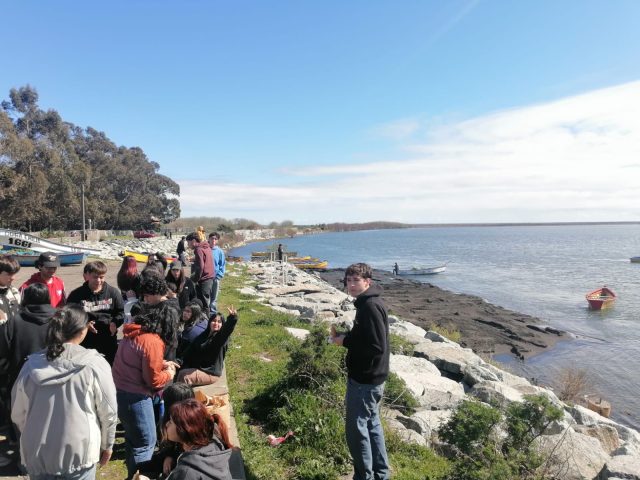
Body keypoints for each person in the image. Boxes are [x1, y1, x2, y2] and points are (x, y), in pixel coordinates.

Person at [11, 306, 118, 479]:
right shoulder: (94, 364)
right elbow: (109, 412)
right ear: (82, 330)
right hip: (80, 453)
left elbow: (18, 414)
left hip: (39, 454)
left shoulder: (31, 366)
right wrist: (107, 444)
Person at [111, 278, 178, 479]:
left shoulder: (132, 335)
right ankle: (141, 476)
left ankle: (131, 475)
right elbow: (154, 381)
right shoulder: (152, 341)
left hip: (122, 393)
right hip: (137, 397)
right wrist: (169, 373)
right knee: (146, 443)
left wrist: (160, 364)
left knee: (133, 441)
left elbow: (138, 365)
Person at [330, 263, 390, 480]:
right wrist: (346, 337)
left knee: (357, 432)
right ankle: (380, 474)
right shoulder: (367, 303)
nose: (352, 285)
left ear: (368, 282)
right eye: (349, 280)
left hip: (365, 380)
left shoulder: (370, 306)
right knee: (372, 425)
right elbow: (367, 338)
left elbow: (376, 346)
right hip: (372, 378)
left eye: (357, 280)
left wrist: (344, 341)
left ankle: (364, 477)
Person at [67, 261, 125, 365]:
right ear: (86, 276)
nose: (99, 280)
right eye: (95, 277)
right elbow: (70, 316)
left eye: (102, 277)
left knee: (108, 368)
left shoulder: (113, 292)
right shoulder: (76, 294)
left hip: (108, 338)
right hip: (85, 339)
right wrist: (85, 325)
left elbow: (121, 313)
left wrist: (115, 323)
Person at [0, 284, 56, 390]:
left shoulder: (15, 321)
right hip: (55, 377)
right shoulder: (60, 319)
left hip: (21, 380)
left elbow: (3, 350)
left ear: (25, 298)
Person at [164, 399, 232, 480]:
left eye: (171, 422)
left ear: (185, 430)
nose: (166, 424)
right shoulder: (213, 443)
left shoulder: (186, 472)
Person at [174, 306, 237, 386]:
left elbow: (226, 331)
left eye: (219, 322)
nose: (216, 323)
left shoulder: (220, 338)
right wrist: (177, 362)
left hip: (210, 373)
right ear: (209, 322)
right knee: (178, 370)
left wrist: (232, 319)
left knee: (184, 376)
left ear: (222, 324)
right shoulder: (203, 335)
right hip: (199, 367)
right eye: (214, 321)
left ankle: (181, 397)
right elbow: (189, 351)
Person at [186, 229, 214, 309]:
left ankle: (205, 320)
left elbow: (200, 267)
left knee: (203, 303)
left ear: (194, 241)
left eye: (188, 242)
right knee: (205, 301)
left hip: (204, 279)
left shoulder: (198, 249)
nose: (188, 245)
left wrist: (194, 279)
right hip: (210, 278)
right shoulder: (206, 247)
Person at [208, 233, 226, 315]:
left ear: (217, 240)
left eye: (215, 239)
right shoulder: (206, 249)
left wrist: (219, 276)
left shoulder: (220, 252)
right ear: (209, 239)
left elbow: (222, 264)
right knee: (206, 295)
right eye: (212, 238)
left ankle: (213, 312)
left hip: (215, 277)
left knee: (214, 296)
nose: (213, 240)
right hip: (206, 277)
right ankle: (206, 311)